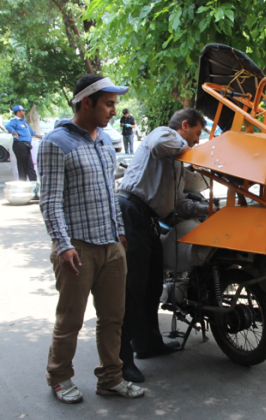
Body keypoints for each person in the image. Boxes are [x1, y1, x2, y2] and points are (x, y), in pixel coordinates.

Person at [38, 74, 144, 403]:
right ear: (87, 102)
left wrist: (120, 233)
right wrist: (63, 244)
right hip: (77, 248)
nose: (115, 110)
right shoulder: (56, 143)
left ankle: (110, 377)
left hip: (111, 245)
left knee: (113, 318)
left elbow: (111, 194)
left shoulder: (103, 142)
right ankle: (59, 376)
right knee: (70, 319)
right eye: (109, 104)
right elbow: (50, 201)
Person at [117, 108, 209, 383]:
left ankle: (147, 344)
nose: (196, 141)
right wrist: (199, 154)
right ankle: (121, 362)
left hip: (149, 220)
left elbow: (179, 204)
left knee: (153, 282)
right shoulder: (164, 135)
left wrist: (210, 209)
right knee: (133, 288)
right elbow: (159, 145)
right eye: (196, 133)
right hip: (131, 212)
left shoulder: (177, 161)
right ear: (184, 125)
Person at [5, 105, 42, 181]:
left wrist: (36, 135)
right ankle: (23, 183)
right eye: (23, 111)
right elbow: (8, 126)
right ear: (18, 112)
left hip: (26, 145)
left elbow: (29, 131)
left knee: (30, 165)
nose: (24, 112)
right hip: (20, 144)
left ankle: (33, 182)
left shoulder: (23, 121)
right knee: (22, 166)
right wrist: (14, 132)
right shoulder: (15, 121)